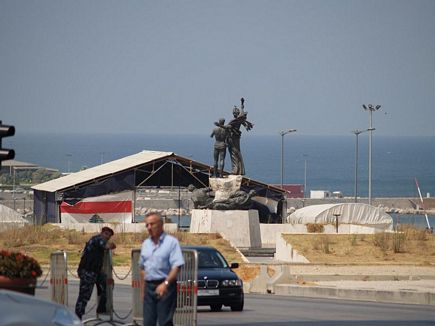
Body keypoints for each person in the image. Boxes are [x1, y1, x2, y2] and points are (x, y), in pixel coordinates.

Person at [139, 212, 184, 326]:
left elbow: (177, 266)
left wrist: (166, 283)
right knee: (148, 322)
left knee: (165, 322)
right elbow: (143, 268)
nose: (149, 227)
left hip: (166, 286)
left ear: (160, 224)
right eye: (147, 225)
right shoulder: (146, 244)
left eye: (152, 224)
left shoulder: (171, 242)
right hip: (149, 287)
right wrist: (143, 290)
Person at [75, 226, 116, 320]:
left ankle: (101, 308)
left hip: (95, 272)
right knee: (84, 296)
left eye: (109, 236)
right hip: (87, 272)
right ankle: (78, 317)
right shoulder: (97, 239)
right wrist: (112, 245)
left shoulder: (100, 240)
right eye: (106, 234)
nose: (107, 237)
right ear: (101, 233)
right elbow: (107, 246)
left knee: (105, 283)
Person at [225, 98, 253, 175]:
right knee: (237, 152)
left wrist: (220, 126)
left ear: (234, 113)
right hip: (236, 138)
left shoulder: (233, 121)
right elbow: (242, 113)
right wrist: (242, 104)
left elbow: (227, 127)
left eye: (234, 112)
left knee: (234, 153)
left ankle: (235, 169)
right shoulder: (239, 120)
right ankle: (239, 170)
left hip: (233, 138)